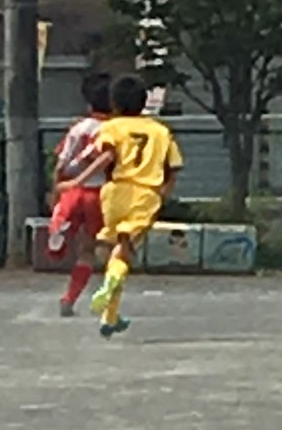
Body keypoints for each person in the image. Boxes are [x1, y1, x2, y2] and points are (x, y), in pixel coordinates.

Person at [64, 74, 183, 338]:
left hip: (114, 192)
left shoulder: (112, 128)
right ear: (144, 102)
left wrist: (77, 178)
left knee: (112, 249)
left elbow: (102, 156)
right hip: (145, 193)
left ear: (114, 104)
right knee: (125, 251)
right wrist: (164, 194)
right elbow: (173, 167)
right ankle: (109, 287)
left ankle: (110, 317)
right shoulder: (160, 131)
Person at [48, 71, 111, 317]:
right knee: (91, 250)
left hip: (74, 188)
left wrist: (55, 192)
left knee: (66, 223)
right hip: (101, 193)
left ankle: (59, 227)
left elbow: (61, 164)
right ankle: (70, 298)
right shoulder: (115, 130)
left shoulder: (78, 128)